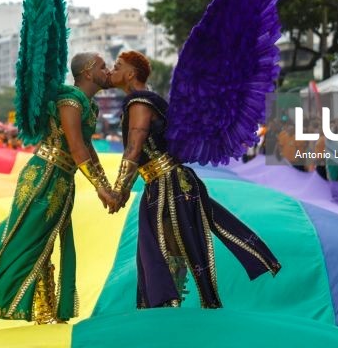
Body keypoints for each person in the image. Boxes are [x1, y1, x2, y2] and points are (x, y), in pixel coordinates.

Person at [107, 51, 281, 309]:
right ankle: (170, 305)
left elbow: (134, 148)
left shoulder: (140, 102)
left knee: (166, 247)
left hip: (169, 184)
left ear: (131, 74)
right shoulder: (143, 101)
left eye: (117, 66)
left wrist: (118, 192)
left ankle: (171, 308)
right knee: (163, 247)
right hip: (163, 183)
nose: (112, 70)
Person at [0, 53, 117, 323]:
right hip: (44, 175)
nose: (108, 70)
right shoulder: (70, 100)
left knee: (46, 239)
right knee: (30, 238)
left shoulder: (91, 106)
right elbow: (76, 147)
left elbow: (88, 147)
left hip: (63, 177)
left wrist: (106, 185)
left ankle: (46, 311)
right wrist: (100, 187)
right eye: (102, 66)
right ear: (87, 72)